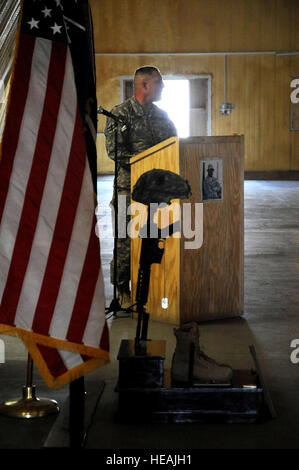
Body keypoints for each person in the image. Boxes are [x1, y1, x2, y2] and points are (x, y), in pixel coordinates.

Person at [104, 66, 177, 307]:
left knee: (154, 240)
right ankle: (123, 290)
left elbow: (173, 148)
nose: (163, 86)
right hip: (128, 190)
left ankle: (153, 291)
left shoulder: (163, 117)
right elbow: (115, 152)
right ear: (145, 85)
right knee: (125, 241)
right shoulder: (120, 115)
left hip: (156, 194)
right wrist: (147, 166)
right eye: (159, 82)